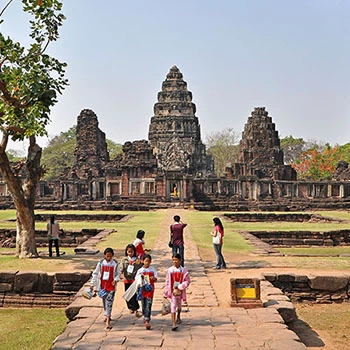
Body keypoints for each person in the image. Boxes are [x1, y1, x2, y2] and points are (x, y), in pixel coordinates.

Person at [90, 247, 120, 329]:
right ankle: (107, 314)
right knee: (104, 302)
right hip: (102, 286)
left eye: (110, 256)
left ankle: (108, 320)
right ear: (104, 255)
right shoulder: (100, 263)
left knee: (109, 302)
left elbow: (118, 274)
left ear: (112, 256)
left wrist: (115, 280)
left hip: (111, 286)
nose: (109, 258)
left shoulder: (115, 264)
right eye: (107, 256)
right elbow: (95, 274)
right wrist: (92, 284)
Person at [163, 253, 191, 331]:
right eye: (173, 260)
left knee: (179, 306)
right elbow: (167, 281)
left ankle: (178, 316)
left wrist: (181, 286)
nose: (175, 262)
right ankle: (173, 323)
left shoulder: (184, 270)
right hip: (172, 292)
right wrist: (166, 291)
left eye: (176, 260)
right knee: (173, 305)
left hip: (180, 291)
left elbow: (188, 281)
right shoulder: (170, 270)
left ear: (180, 260)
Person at [135, 254, 158, 330]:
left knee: (149, 303)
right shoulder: (140, 270)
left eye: (148, 261)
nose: (147, 263)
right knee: (143, 304)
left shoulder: (152, 270)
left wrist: (153, 278)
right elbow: (136, 279)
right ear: (142, 261)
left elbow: (156, 278)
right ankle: (145, 315)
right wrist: (140, 277)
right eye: (146, 261)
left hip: (150, 290)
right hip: (142, 289)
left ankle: (147, 319)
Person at [120, 244, 143, 317]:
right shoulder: (124, 260)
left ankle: (136, 307)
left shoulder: (137, 260)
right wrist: (120, 274)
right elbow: (121, 267)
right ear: (126, 251)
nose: (130, 253)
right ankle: (130, 307)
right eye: (129, 251)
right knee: (128, 293)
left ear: (134, 252)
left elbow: (140, 267)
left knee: (134, 294)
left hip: (134, 279)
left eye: (131, 252)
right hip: (127, 279)